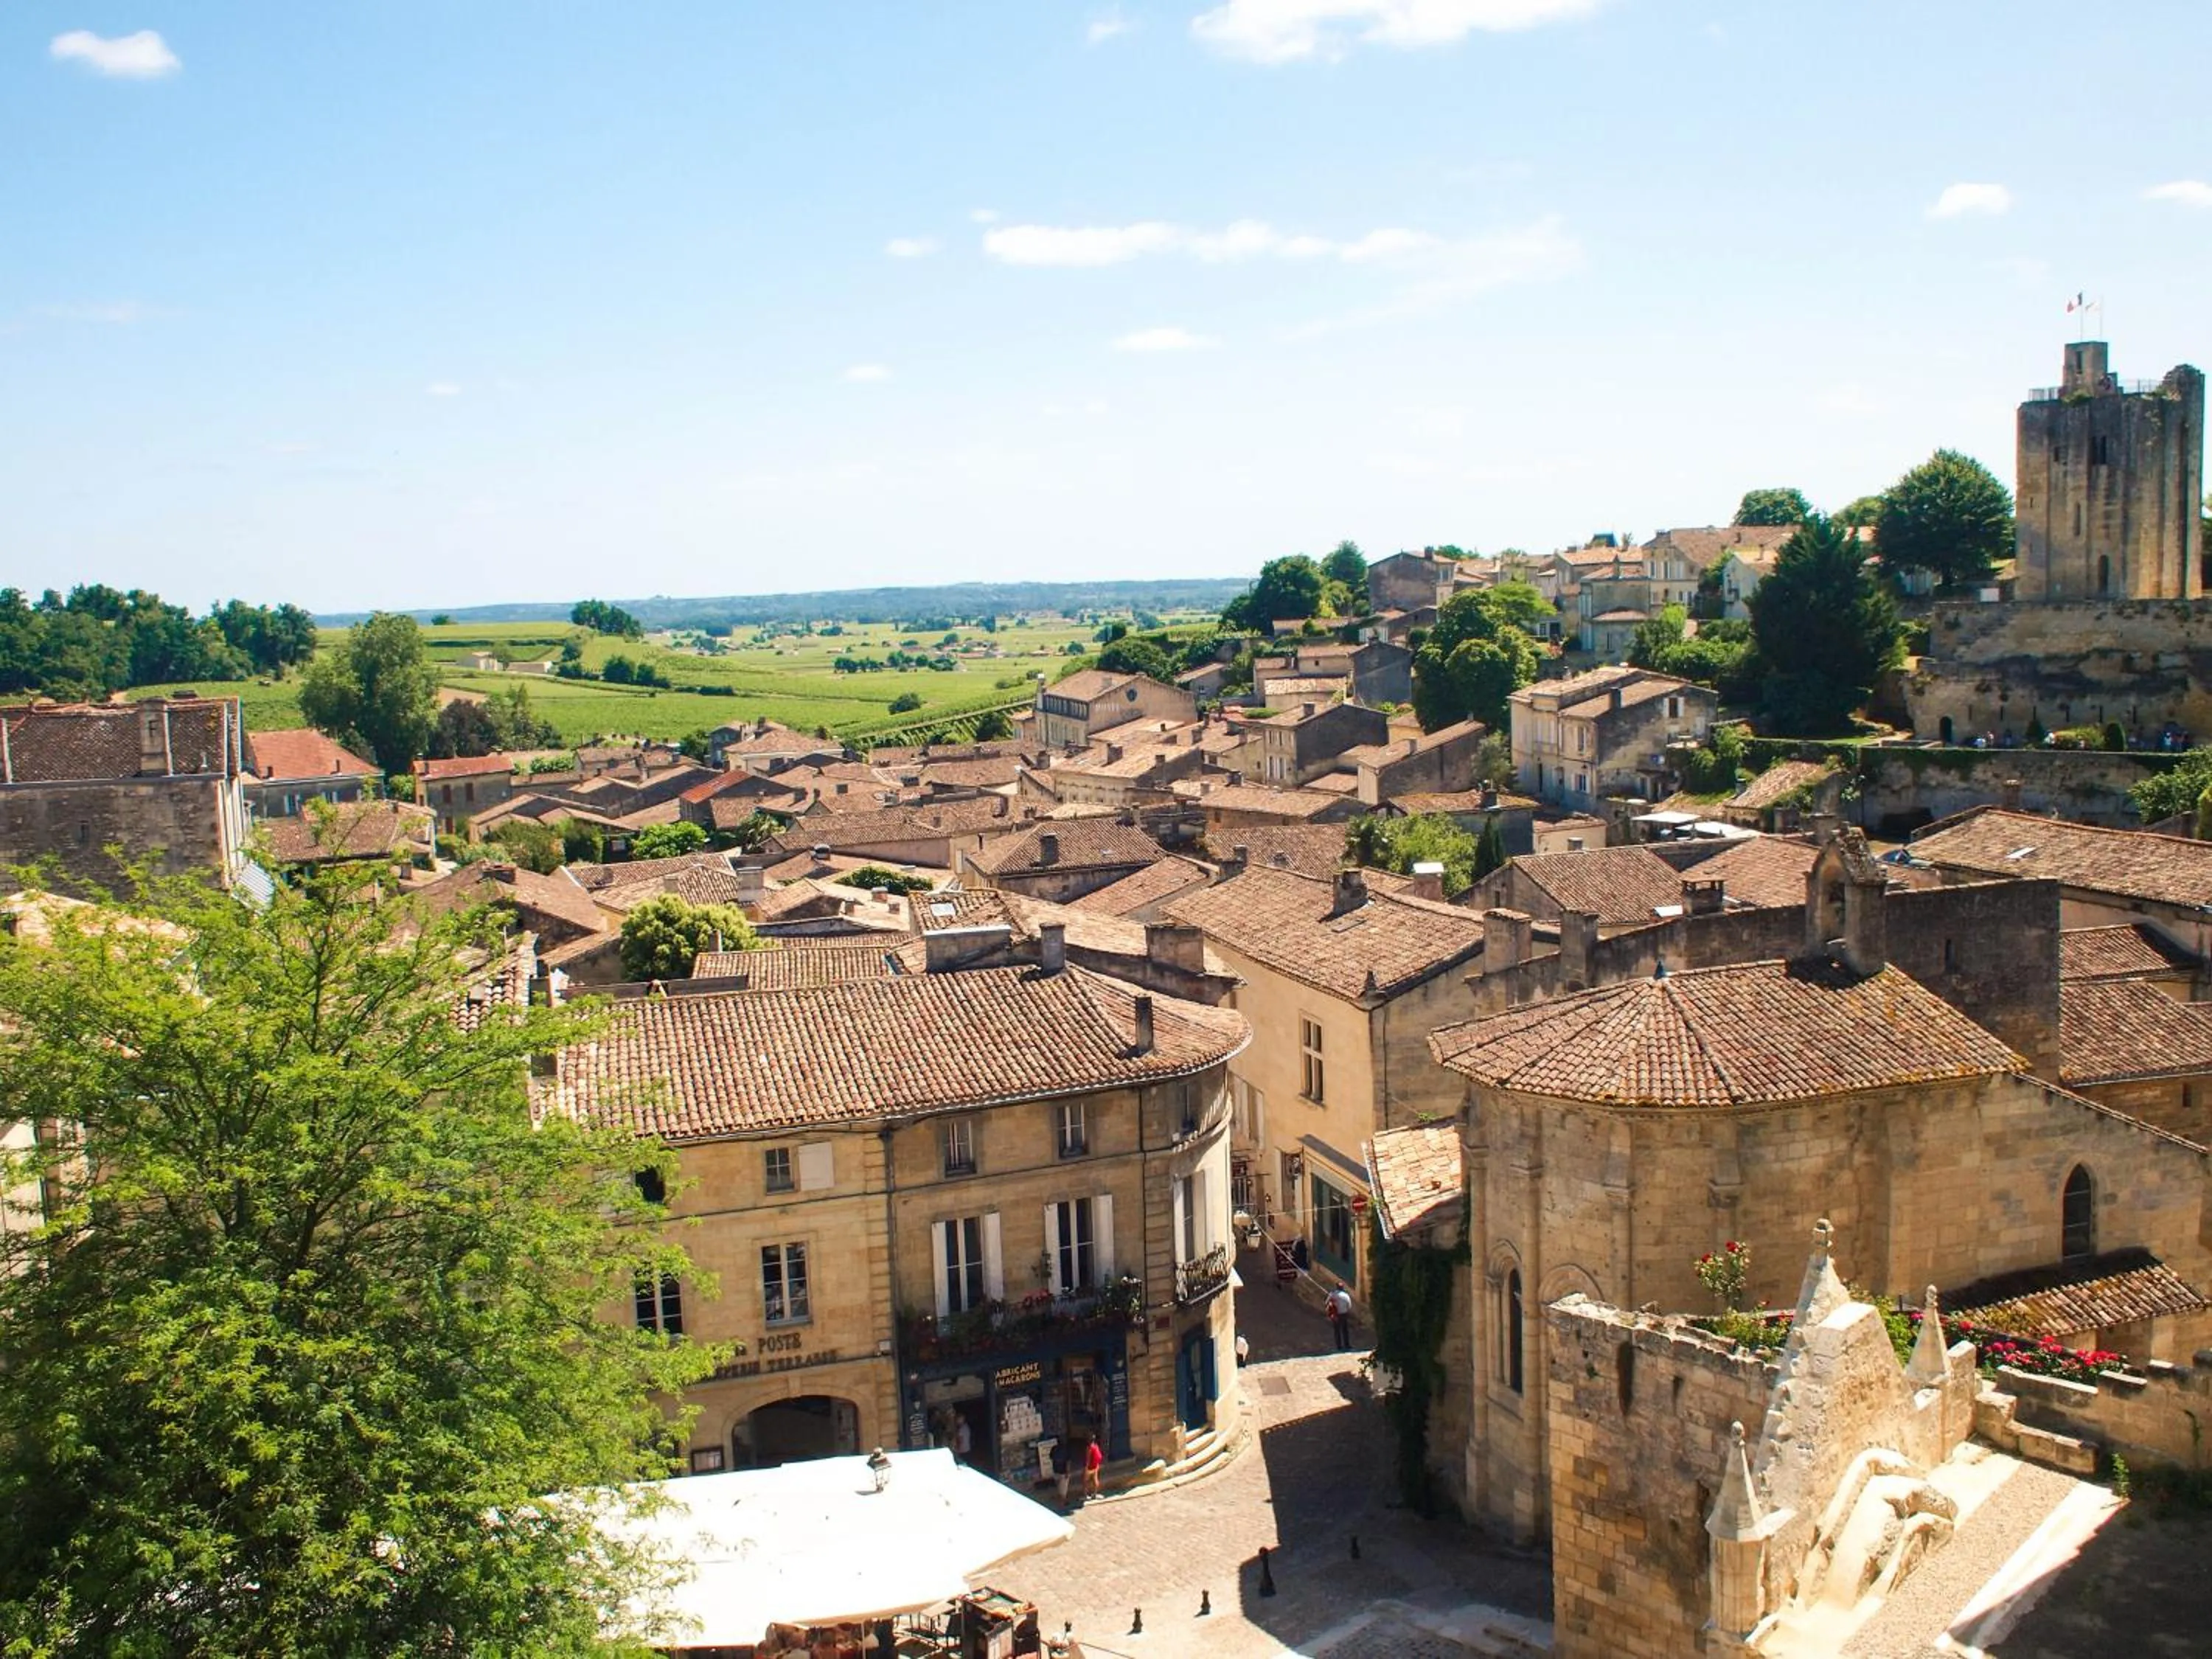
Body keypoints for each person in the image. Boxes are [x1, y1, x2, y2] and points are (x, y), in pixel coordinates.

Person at [1328, 1284, 1354, 1352]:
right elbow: (1349, 1305)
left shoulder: (1332, 1294)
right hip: (1344, 1314)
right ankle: (1347, 1345)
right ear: (1343, 1288)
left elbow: (1327, 1303)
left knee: (1337, 1331)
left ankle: (1339, 1346)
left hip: (1336, 1314)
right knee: (1345, 1330)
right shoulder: (1346, 1295)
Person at [1050, 1436, 1071, 1504]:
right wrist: (1068, 1471)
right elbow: (1068, 1461)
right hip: (1063, 1472)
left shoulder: (1054, 1448)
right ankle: (1063, 1502)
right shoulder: (1066, 1449)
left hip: (1055, 1470)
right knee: (1064, 1489)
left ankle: (1060, 1500)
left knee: (1059, 1487)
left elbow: (1051, 1458)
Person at [1082, 1433, 1104, 1498]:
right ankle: (1095, 1494)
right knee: (1095, 1481)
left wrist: (1086, 1468)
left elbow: (1088, 1459)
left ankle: (1086, 1495)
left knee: (1085, 1481)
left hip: (1090, 1468)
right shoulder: (1096, 1446)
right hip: (1096, 1466)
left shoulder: (1089, 1448)